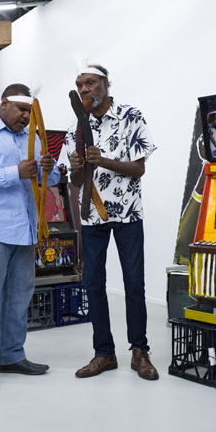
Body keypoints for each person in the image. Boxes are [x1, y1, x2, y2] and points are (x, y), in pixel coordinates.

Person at [59, 64, 159, 380]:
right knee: (93, 284)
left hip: (128, 212)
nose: (84, 89)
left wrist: (102, 160)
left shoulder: (131, 116)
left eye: (90, 83)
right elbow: (74, 178)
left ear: (105, 84)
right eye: (79, 84)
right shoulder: (76, 125)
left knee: (134, 283)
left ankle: (139, 352)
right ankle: (104, 354)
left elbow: (139, 169)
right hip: (91, 215)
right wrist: (77, 166)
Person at [0, 83, 60, 391]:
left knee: (20, 297)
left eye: (30, 112)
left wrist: (49, 167)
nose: (26, 117)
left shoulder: (33, 139)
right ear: (3, 104)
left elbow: (51, 179)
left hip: (26, 229)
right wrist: (14, 172)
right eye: (22, 110)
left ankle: (12, 355)